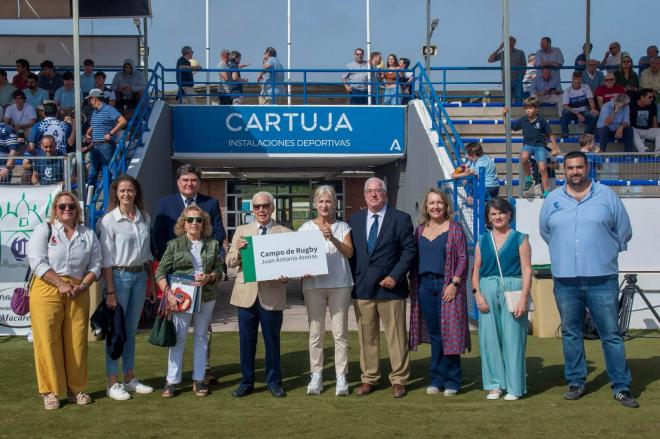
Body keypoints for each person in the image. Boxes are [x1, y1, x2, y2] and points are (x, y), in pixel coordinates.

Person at [540, 150, 638, 409]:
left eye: (579, 167)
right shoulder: (552, 199)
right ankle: (576, 382)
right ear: (564, 171)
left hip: (602, 277)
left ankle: (621, 386)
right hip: (565, 279)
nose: (575, 172)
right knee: (572, 333)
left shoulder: (607, 196)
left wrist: (603, 251)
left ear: (587, 168)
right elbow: (546, 231)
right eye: (570, 168)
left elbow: (624, 231)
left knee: (611, 334)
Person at [26, 191, 102, 410]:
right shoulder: (44, 230)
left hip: (79, 289)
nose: (67, 210)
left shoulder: (88, 233)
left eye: (71, 206)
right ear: (55, 210)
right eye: (62, 206)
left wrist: (83, 285)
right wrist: (60, 283)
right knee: (48, 340)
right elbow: (37, 262)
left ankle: (76, 389)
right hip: (47, 287)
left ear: (77, 210)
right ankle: (50, 391)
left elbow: (96, 264)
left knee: (77, 340)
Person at [349, 177, 416, 398]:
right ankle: (369, 378)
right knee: (366, 337)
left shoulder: (401, 219)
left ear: (385, 194)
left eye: (378, 190)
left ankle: (399, 380)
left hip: (391, 289)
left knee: (396, 336)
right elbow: (350, 255)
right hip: (363, 289)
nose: (374, 194)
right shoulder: (355, 219)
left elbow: (409, 251)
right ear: (365, 194)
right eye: (369, 191)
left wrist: (395, 276)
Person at [226, 191, 291, 398]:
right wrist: (237, 250)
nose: (261, 210)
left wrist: (285, 276)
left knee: (272, 342)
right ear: (252, 209)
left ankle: (274, 382)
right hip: (246, 294)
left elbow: (290, 267)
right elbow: (230, 263)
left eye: (265, 206)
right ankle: (246, 382)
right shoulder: (241, 230)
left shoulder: (285, 233)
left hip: (272, 294)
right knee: (246, 341)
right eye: (257, 206)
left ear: (272, 208)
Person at [98, 175, 157, 400]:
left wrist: (151, 281)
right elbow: (106, 259)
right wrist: (110, 291)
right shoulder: (108, 220)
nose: (126, 194)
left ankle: (129, 378)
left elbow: (148, 254)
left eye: (130, 190)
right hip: (119, 278)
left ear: (136, 192)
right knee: (116, 332)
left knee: (131, 331)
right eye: (122, 190)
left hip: (140, 277)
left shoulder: (145, 218)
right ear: (116, 193)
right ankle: (112, 382)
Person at [156, 205, 222, 398]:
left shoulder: (213, 244)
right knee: (178, 337)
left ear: (204, 224)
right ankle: (172, 381)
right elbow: (160, 272)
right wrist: (168, 294)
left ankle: (199, 379)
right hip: (180, 297)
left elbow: (220, 270)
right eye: (190, 220)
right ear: (183, 223)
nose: (194, 223)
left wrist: (209, 277)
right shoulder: (174, 244)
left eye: (199, 220)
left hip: (207, 295)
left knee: (202, 337)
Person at [409, 189, 470, 396]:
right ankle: (436, 379)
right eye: (431, 203)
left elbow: (463, 258)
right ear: (426, 207)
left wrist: (454, 283)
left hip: (447, 286)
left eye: (439, 203)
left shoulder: (455, 229)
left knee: (450, 334)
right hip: (425, 286)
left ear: (446, 206)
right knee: (435, 335)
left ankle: (453, 381)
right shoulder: (419, 230)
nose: (435, 207)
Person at [472, 198, 532, 401]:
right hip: (487, 288)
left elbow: (527, 270)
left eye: (501, 213)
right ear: (488, 218)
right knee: (489, 339)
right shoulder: (482, 240)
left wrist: (524, 298)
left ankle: (515, 386)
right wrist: (477, 293)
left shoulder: (520, 238)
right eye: (493, 214)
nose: (497, 217)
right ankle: (494, 384)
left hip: (513, 288)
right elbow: (477, 268)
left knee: (513, 338)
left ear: (509, 214)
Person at [299, 185, 354, 396]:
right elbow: (299, 258)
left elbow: (349, 253)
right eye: (321, 201)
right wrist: (302, 270)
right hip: (314, 287)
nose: (324, 205)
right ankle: (317, 375)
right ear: (315, 204)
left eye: (328, 201)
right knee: (315, 333)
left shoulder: (342, 227)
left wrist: (332, 237)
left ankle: (341, 376)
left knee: (340, 333)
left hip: (339, 285)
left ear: (334, 204)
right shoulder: (305, 228)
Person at [152, 163, 225, 261]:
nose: (189, 184)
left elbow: (219, 233)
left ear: (199, 183)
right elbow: (158, 234)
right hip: (174, 263)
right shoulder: (165, 204)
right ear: (178, 182)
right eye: (185, 180)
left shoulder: (211, 203)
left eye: (194, 180)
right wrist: (172, 255)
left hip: (204, 262)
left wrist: (206, 252)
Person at [504, 97, 560, 196]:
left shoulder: (541, 120)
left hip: (540, 146)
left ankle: (547, 190)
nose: (528, 110)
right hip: (528, 145)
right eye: (526, 108)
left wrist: (555, 147)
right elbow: (509, 127)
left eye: (530, 108)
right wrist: (503, 115)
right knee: (524, 157)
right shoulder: (523, 120)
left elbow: (550, 134)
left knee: (542, 167)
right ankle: (528, 179)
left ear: (536, 109)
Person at [84, 88, 127, 191]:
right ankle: (91, 199)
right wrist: (88, 132)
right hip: (96, 146)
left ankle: (108, 197)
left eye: (90, 99)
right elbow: (95, 124)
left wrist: (111, 133)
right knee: (92, 174)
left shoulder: (109, 109)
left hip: (105, 145)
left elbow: (123, 121)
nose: (89, 102)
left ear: (95, 99)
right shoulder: (95, 112)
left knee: (106, 172)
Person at [488, 36, 526, 103]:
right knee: (508, 101)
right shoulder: (503, 53)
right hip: (506, 80)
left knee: (519, 99)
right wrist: (499, 48)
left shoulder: (520, 52)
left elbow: (524, 66)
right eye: (508, 41)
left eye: (512, 41)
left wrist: (521, 77)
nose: (510, 43)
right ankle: (509, 113)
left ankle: (518, 113)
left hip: (517, 80)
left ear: (514, 43)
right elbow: (490, 60)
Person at [560, 71, 599, 137]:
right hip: (573, 112)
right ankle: (565, 133)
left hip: (584, 111)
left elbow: (590, 100)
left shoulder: (586, 87)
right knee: (564, 111)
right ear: (572, 79)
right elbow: (565, 106)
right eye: (575, 79)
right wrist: (578, 114)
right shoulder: (567, 90)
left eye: (579, 79)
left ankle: (587, 133)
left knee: (594, 114)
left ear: (581, 80)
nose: (577, 81)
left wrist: (593, 109)